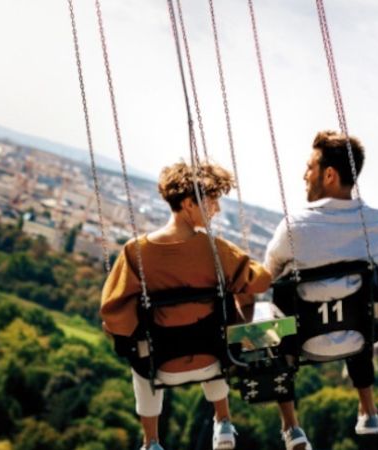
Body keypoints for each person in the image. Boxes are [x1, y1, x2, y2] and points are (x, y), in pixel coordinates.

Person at [101, 161, 273, 450]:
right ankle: (224, 421)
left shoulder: (136, 252)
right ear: (189, 203)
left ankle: (151, 440)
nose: (216, 209)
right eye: (212, 200)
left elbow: (113, 312)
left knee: (140, 350)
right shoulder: (216, 249)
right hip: (212, 361)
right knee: (219, 324)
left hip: (160, 366)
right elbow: (261, 281)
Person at [263, 131, 378, 450]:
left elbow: (268, 275)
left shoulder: (295, 226)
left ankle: (291, 427)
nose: (304, 175)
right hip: (356, 338)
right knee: (360, 300)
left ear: (329, 174)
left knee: (267, 319)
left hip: (299, 343)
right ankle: (367, 409)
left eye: (309, 167)